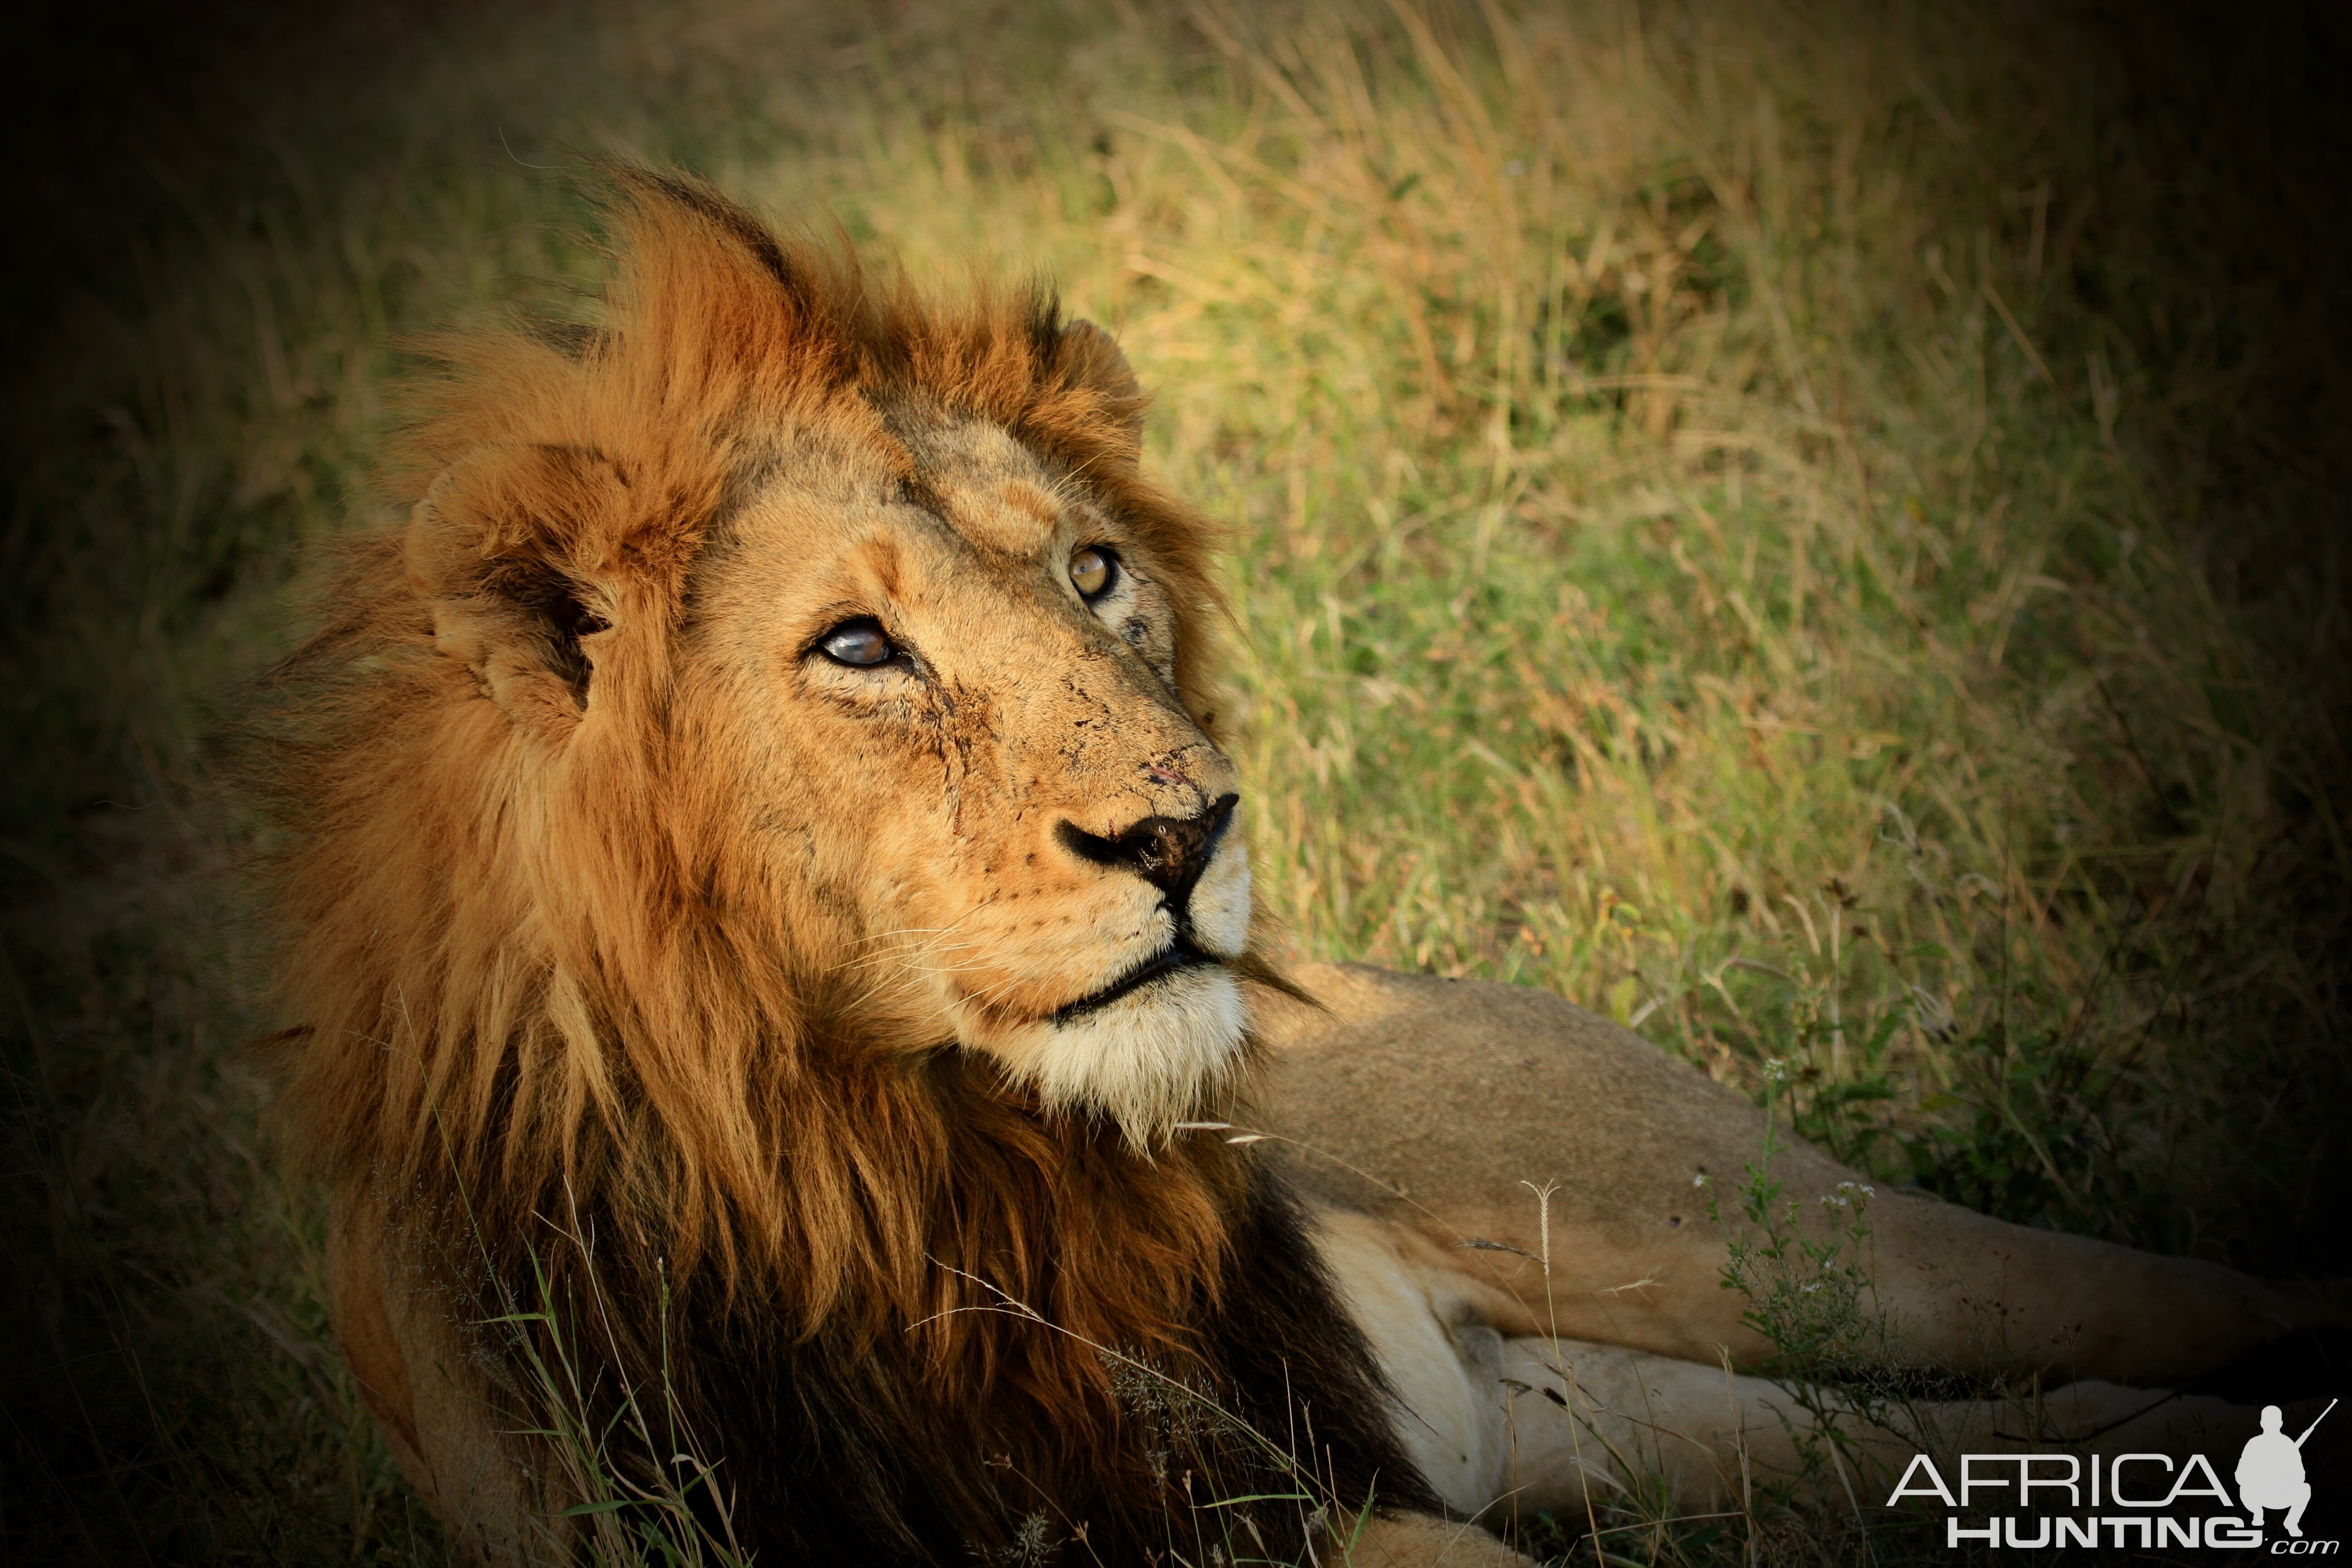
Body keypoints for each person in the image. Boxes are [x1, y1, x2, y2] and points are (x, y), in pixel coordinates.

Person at [2238, 1405, 2313, 1538]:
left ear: (2262, 1424)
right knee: (2244, 1488)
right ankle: (2257, 1513)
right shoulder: (2254, 1444)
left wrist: (2282, 1473)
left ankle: (2291, 1522)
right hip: (2260, 1495)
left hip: (2283, 1495)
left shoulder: (2288, 1445)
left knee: (2305, 1489)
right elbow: (2241, 1475)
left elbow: (2300, 1476)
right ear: (2281, 1424)